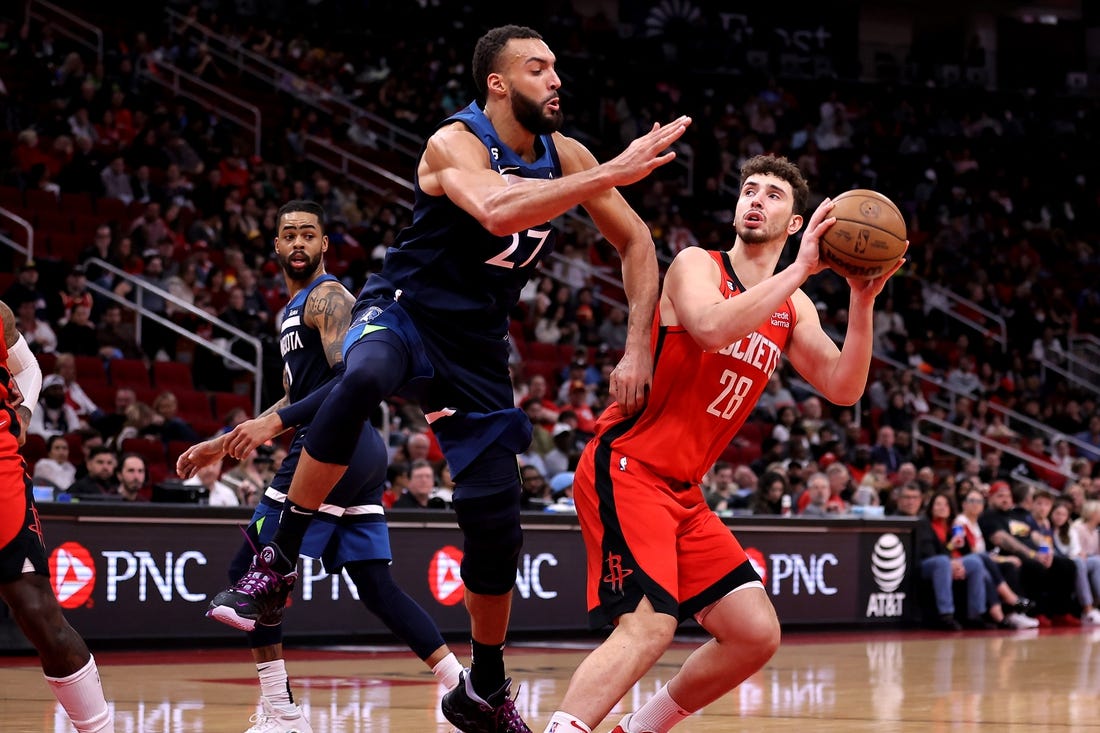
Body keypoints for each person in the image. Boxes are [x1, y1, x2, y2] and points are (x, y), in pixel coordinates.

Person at [209, 26, 688, 733]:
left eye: (556, 66)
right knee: (362, 373)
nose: (556, 79)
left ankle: (484, 683)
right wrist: (610, 172)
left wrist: (636, 347)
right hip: (403, 310)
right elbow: (496, 209)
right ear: (498, 84)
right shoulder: (453, 142)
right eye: (537, 68)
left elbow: (638, 241)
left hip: (477, 347)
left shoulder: (568, 154)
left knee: (497, 523)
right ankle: (277, 559)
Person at [542, 154, 903, 733]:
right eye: (749, 190)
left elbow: (843, 386)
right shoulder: (697, 265)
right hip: (630, 465)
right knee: (649, 626)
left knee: (754, 633)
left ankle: (638, 729)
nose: (755, 200)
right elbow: (710, 327)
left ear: (795, 223)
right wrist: (801, 271)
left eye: (773, 196)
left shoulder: (793, 306)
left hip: (685, 493)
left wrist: (862, 301)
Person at [177, 200, 462, 732]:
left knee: (247, 573)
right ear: (277, 247)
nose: (300, 242)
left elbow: (351, 381)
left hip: (334, 443)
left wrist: (275, 423)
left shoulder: (328, 297)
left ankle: (281, 712)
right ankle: (463, 688)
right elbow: (296, 395)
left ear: (325, 244)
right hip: (357, 450)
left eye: (311, 233)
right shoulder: (291, 311)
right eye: (290, 235)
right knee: (375, 585)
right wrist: (223, 442)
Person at [0, 299, 115, 731]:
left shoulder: (0, 314)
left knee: (36, 610)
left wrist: (25, 410)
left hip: (0, 468)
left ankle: (99, 727)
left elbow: (27, 368)